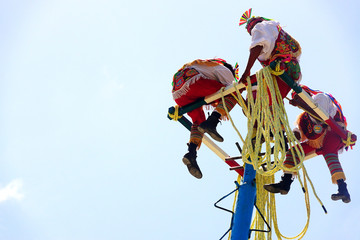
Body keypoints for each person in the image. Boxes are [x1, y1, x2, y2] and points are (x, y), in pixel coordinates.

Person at [264, 85, 356, 203]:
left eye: (299, 96)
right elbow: (298, 135)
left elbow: (321, 117)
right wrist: (283, 141)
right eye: (295, 98)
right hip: (317, 142)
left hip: (331, 133)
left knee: (329, 153)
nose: (298, 99)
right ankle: (285, 183)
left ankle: (343, 189)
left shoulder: (320, 98)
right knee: (293, 152)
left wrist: (301, 105)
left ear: (306, 94)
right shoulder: (303, 118)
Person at [172, 58, 238, 179]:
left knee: (198, 121)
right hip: (194, 84)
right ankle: (212, 122)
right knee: (236, 92)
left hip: (178, 94)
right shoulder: (225, 70)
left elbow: (213, 94)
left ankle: (191, 153)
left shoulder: (203, 67)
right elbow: (231, 89)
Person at [238, 8, 302, 101]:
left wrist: (247, 71)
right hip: (292, 72)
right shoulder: (275, 28)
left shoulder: (258, 27)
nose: (252, 35)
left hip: (280, 68)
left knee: (260, 98)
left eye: (251, 33)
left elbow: (257, 46)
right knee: (273, 102)